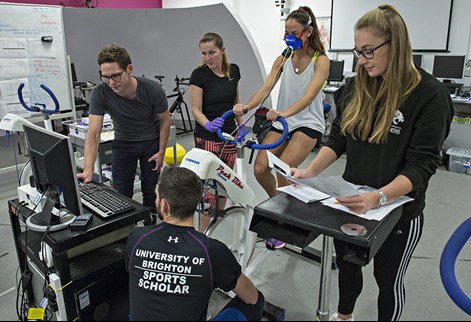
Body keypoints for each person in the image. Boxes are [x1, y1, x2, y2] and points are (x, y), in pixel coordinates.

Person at [290, 5, 453, 321]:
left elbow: (422, 165)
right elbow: (338, 139)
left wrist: (378, 197)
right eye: (357, 52)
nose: (361, 60)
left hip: (399, 212)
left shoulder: (429, 95)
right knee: (348, 270)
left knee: (387, 281)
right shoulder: (355, 85)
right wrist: (309, 171)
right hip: (351, 202)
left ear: (396, 45)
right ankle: (344, 316)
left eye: (368, 51)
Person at [233, 6, 329, 249]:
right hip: (284, 121)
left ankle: (287, 224)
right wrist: (247, 106)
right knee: (260, 168)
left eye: (293, 32)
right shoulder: (284, 58)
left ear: (308, 32)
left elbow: (309, 96)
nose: (288, 37)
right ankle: (282, 208)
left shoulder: (321, 61)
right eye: (286, 31)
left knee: (283, 171)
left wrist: (284, 112)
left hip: (308, 122)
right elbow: (266, 88)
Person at [125, 166, 265, 321]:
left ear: (164, 205)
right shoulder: (212, 251)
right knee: (257, 301)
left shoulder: (137, 238)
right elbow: (251, 297)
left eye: (157, 196)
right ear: (197, 201)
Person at [77, 43, 170, 215]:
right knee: (121, 194)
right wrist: (88, 169)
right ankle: (126, 234)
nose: (111, 82)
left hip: (150, 142)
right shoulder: (101, 92)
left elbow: (165, 120)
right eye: (105, 77)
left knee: (151, 192)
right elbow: (94, 132)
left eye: (116, 76)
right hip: (123, 142)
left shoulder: (152, 89)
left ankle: (150, 232)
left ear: (129, 69)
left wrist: (161, 151)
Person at [189, 32, 244, 216]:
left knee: (225, 180)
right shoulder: (199, 75)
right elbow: (196, 110)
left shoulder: (234, 71)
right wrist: (208, 124)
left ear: (222, 50)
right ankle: (205, 224)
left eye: (212, 52)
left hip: (229, 136)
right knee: (208, 183)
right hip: (208, 138)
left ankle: (218, 216)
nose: (207, 58)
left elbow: (235, 102)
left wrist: (241, 126)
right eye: (203, 54)